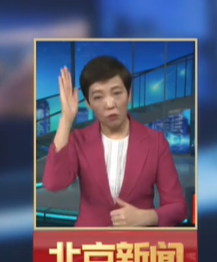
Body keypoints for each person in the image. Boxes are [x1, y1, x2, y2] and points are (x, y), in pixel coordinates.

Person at [40, 55, 185, 228]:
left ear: (129, 94)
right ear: (88, 103)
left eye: (116, 93)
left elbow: (178, 207)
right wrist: (66, 119)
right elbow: (53, 183)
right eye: (98, 97)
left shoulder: (156, 143)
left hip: (138, 242)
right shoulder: (80, 140)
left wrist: (147, 217)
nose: (110, 104)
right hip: (89, 242)